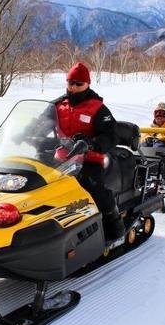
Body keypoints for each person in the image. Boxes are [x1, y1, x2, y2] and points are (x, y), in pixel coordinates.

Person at [52, 62, 126, 241]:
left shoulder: (98, 108)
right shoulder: (58, 105)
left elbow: (111, 134)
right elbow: (39, 122)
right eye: (71, 82)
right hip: (60, 159)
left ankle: (115, 227)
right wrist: (23, 134)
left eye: (79, 84)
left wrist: (92, 143)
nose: (74, 87)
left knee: (93, 188)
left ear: (87, 84)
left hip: (89, 159)